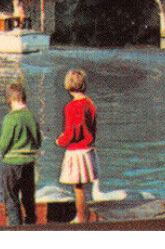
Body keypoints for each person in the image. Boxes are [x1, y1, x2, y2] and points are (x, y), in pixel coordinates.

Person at [57, 67, 100, 223]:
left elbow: (70, 134)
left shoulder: (71, 107)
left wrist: (60, 141)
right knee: (85, 187)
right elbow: (92, 127)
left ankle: (82, 218)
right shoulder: (90, 103)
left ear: (68, 85)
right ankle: (85, 215)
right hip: (88, 150)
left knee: (78, 187)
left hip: (76, 152)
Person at [0, 80, 42, 226]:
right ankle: (31, 224)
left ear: (9, 99)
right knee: (28, 196)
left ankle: (15, 227)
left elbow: (4, 143)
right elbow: (38, 140)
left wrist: (2, 153)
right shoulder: (31, 117)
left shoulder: (10, 118)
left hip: (11, 164)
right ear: (25, 98)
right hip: (28, 163)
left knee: (11, 197)